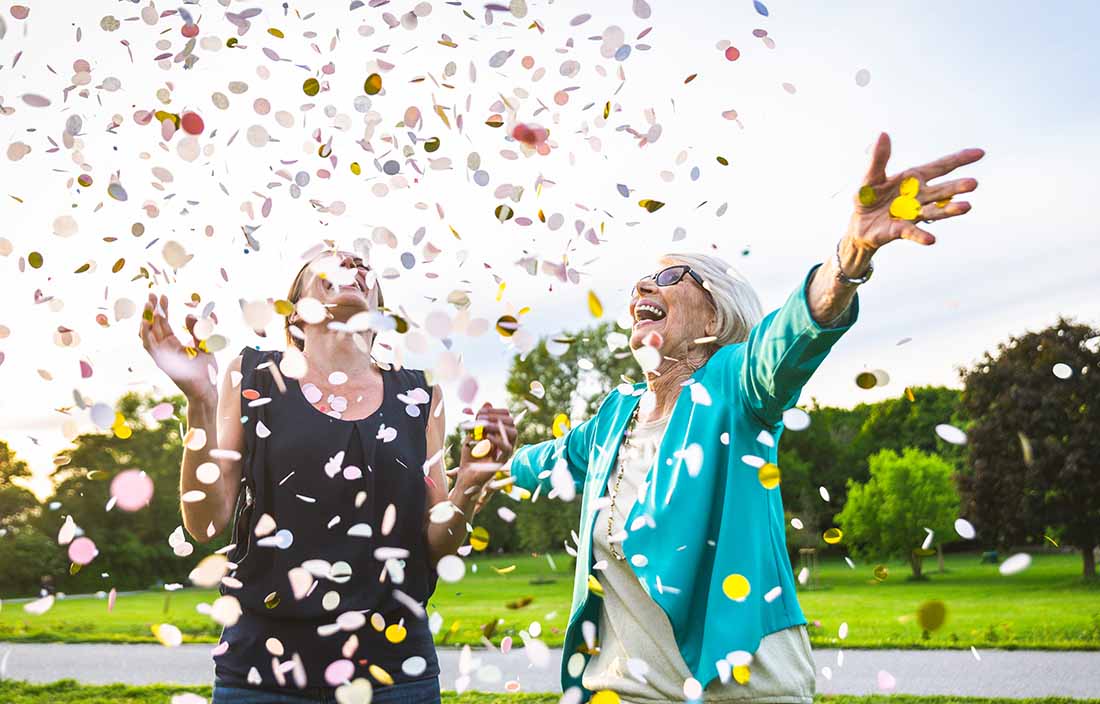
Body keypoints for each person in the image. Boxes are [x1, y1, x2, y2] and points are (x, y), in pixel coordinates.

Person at [508, 133, 985, 703]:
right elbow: (546, 463)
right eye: (639, 280)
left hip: (744, 688)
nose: (641, 286)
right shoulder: (614, 417)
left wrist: (849, 258)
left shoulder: (734, 385)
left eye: (668, 277)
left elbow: (791, 337)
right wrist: (492, 458)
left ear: (715, 312)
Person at [139, 244, 517, 704]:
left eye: (362, 265)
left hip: (395, 672)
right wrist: (200, 402)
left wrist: (468, 488)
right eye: (334, 261)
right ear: (296, 314)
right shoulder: (253, 375)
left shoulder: (420, 394)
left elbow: (436, 543)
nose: (354, 266)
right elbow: (206, 524)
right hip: (262, 672)